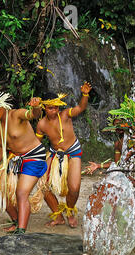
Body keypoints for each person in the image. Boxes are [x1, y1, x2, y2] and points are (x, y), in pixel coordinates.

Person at [0, 92, 46, 234]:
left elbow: (33, 115)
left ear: (3, 107)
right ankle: (16, 221)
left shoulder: (16, 115)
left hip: (34, 156)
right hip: (15, 158)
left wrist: (36, 107)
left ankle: (21, 231)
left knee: (21, 193)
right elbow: (3, 147)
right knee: (1, 189)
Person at [35, 82, 92, 228]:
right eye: (50, 108)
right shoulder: (41, 125)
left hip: (73, 152)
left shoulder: (65, 115)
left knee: (74, 187)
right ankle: (58, 216)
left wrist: (85, 94)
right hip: (54, 154)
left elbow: (81, 108)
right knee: (43, 185)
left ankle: (70, 211)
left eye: (56, 107)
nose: (53, 111)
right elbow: (36, 144)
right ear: (44, 108)